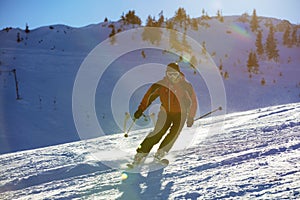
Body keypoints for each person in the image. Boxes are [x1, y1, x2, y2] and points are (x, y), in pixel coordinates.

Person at [132, 62, 197, 165]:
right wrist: (141, 109)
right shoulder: (160, 85)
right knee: (158, 132)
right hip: (165, 113)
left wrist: (191, 117)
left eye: (174, 74)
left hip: (181, 114)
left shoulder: (185, 86)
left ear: (179, 74)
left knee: (173, 134)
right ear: (166, 74)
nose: (172, 77)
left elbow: (193, 101)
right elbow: (148, 97)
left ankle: (161, 152)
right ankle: (140, 154)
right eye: (169, 74)